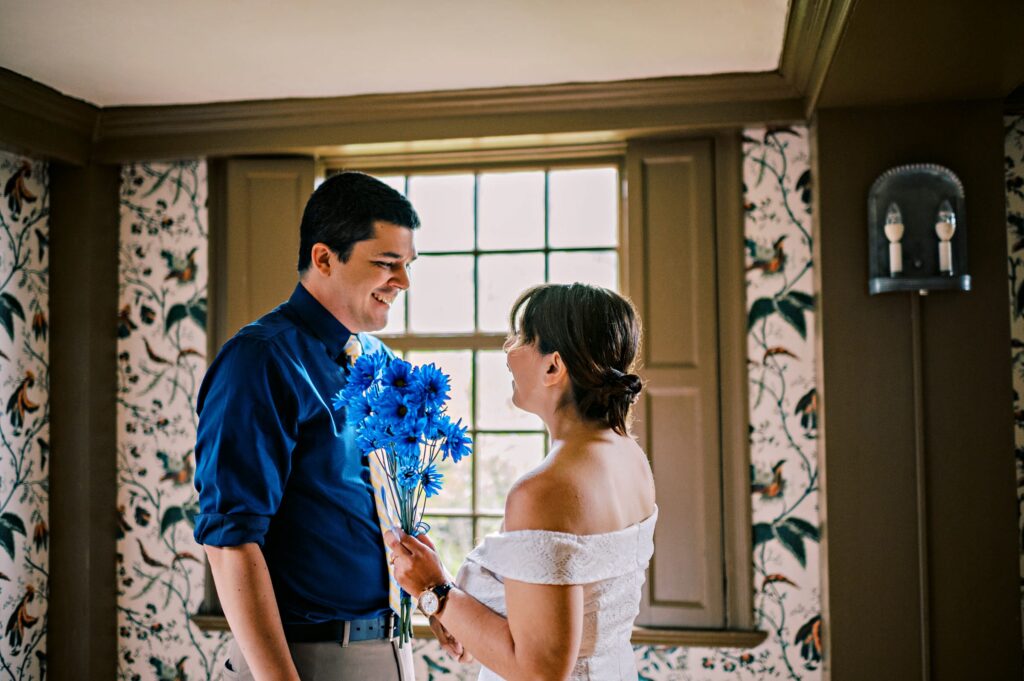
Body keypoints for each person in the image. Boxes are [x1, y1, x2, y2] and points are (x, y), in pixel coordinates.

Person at [193, 172, 435, 681]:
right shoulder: (259, 360)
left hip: (393, 648)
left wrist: (438, 599)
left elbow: (389, 509)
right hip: (305, 658)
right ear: (324, 258)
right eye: (387, 264)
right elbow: (229, 540)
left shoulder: (381, 361)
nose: (404, 283)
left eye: (407, 266)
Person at [386, 283, 658, 681]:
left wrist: (436, 592)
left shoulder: (546, 490)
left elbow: (541, 671)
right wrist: (462, 613)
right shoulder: (630, 458)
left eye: (522, 338)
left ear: (553, 367)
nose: (509, 351)